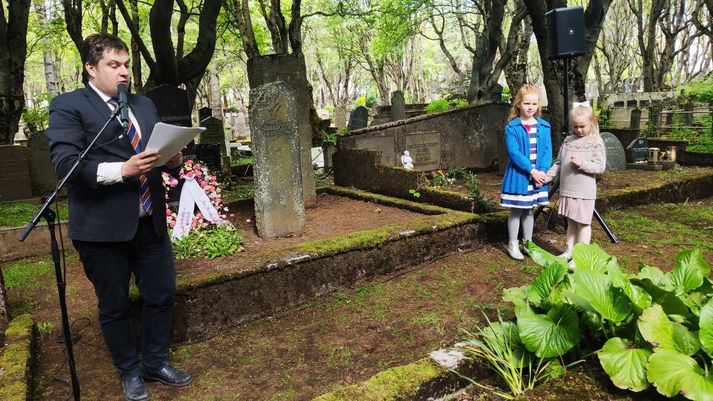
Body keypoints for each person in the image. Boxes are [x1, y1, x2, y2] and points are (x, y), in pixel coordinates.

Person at [45, 34, 192, 401]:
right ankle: (129, 372)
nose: (124, 71)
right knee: (114, 305)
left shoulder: (143, 105)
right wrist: (122, 169)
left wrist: (172, 160)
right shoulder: (68, 106)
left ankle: (154, 362)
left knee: (160, 295)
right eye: (114, 65)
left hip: (149, 221)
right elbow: (66, 166)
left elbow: (156, 154)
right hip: (101, 230)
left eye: (126, 64)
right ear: (91, 69)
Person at [545, 101, 606, 259]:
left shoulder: (595, 143)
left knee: (583, 224)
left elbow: (600, 167)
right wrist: (548, 176)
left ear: (592, 122)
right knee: (571, 222)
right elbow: (559, 163)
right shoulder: (568, 141)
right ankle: (569, 251)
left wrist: (582, 164)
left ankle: (581, 258)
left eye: (582, 126)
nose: (578, 130)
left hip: (584, 192)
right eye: (575, 126)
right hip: (567, 190)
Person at [500, 84, 552, 260]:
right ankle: (513, 243)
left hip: (538, 177)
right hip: (520, 176)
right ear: (518, 104)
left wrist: (542, 172)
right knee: (517, 210)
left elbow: (547, 151)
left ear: (539, 106)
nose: (530, 107)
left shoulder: (544, 127)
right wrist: (532, 171)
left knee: (529, 210)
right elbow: (514, 153)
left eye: (534, 104)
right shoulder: (512, 128)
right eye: (526, 103)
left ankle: (528, 243)